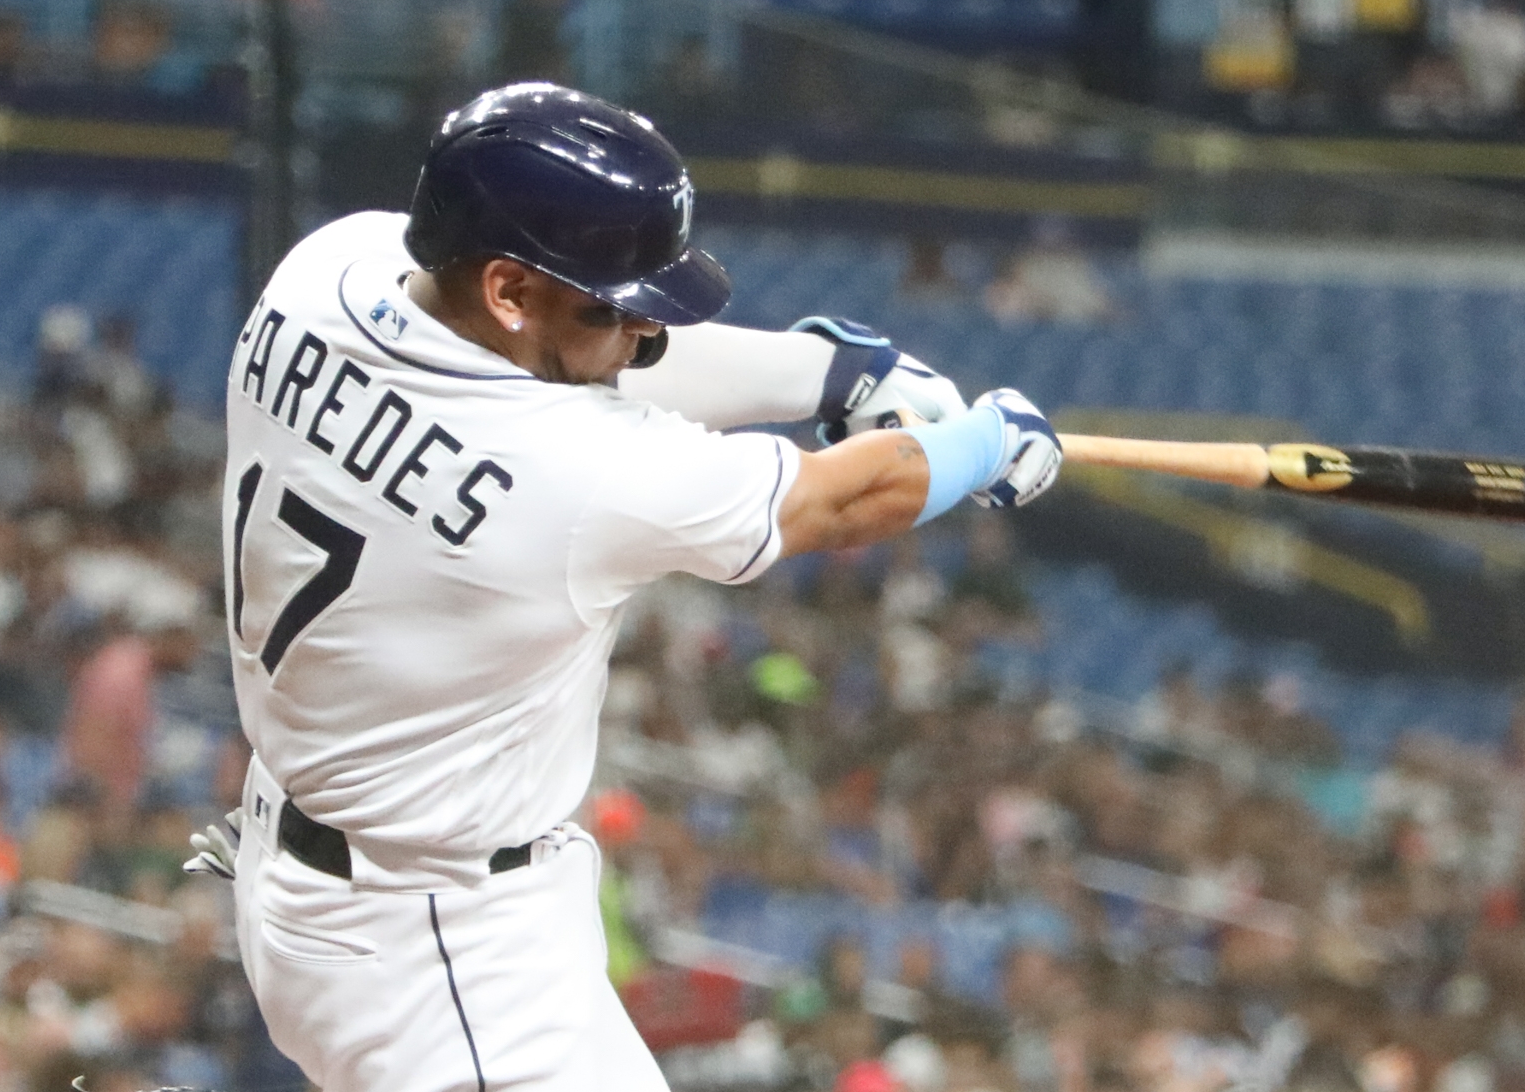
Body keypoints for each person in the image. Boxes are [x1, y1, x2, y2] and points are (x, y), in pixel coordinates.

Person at [181, 82, 1062, 1092]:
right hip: (434, 941)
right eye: (615, 308)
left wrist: (822, 374)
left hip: (344, 875)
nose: (641, 335)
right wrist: (985, 443)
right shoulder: (572, 478)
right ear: (508, 289)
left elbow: (582, 375)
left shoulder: (326, 271)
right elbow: (835, 502)